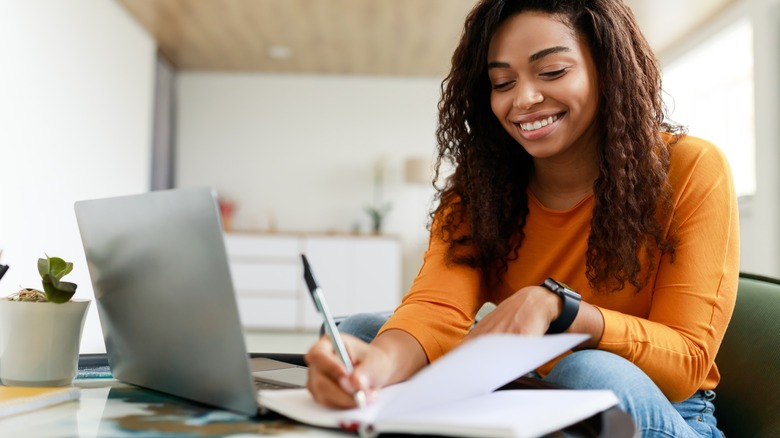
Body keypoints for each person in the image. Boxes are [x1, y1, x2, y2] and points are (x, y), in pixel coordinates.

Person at [305, 0, 739, 436]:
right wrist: (372, 368)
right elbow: (436, 307)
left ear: (608, 71)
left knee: (590, 371)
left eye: (552, 72)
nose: (524, 99)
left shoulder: (691, 168)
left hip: (664, 409)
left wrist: (559, 308)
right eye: (502, 82)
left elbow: (687, 361)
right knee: (366, 333)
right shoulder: (481, 189)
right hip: (530, 392)